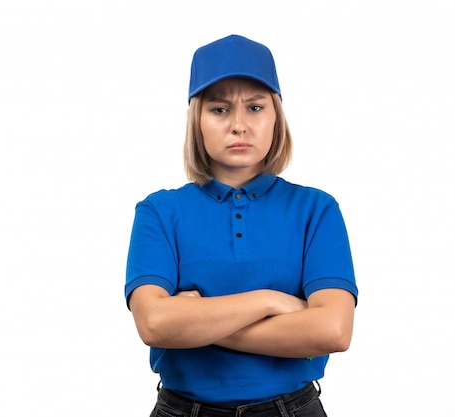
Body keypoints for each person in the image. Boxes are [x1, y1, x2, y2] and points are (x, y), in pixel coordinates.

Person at [125, 34, 358, 417]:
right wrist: (271, 301)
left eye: (254, 107)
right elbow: (154, 323)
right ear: (196, 120)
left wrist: (196, 325)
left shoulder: (316, 209)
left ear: (276, 116)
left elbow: (332, 331)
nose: (239, 125)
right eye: (219, 110)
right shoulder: (159, 211)